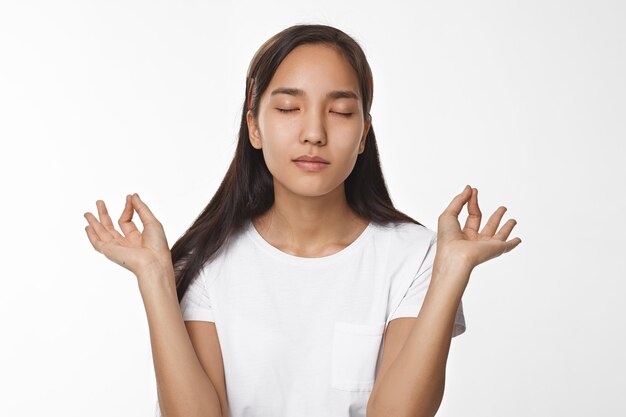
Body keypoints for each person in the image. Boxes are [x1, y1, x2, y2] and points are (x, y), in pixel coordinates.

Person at [83, 24, 521, 417]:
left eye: (341, 112)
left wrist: (450, 271)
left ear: (364, 133)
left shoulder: (415, 256)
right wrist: (156, 276)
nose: (314, 132)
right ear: (254, 127)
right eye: (290, 108)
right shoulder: (206, 262)